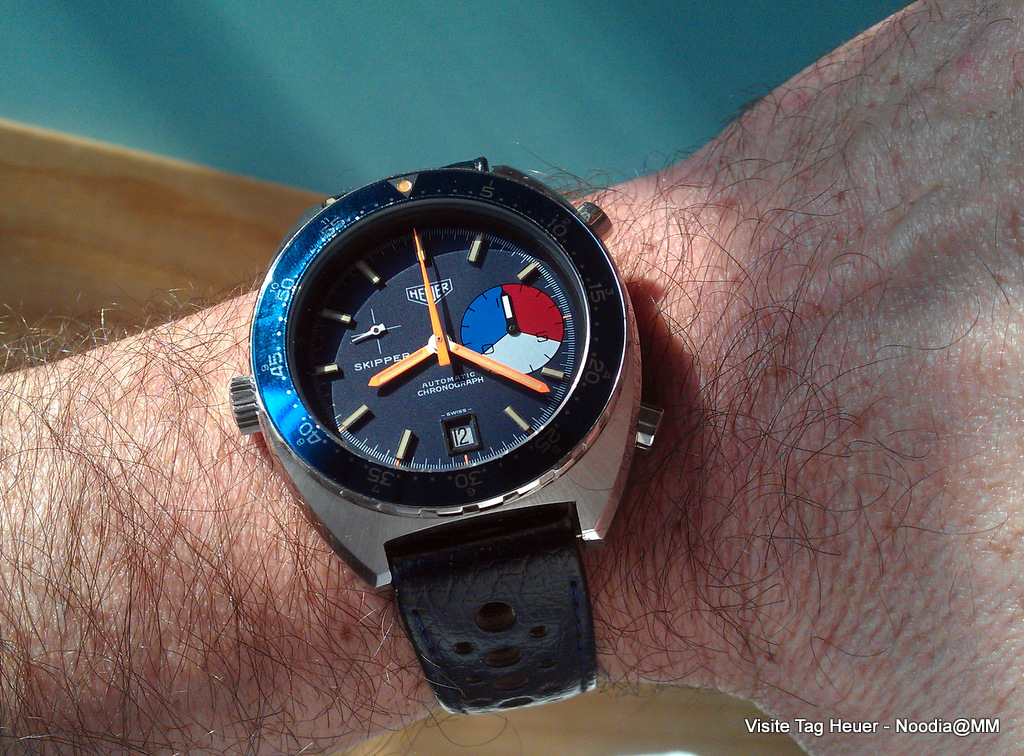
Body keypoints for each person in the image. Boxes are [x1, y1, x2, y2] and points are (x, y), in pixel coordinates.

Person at [2, 0, 1022, 752]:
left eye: (455, 340)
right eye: (421, 347)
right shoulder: (291, 403)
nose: (442, 352)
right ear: (254, 408)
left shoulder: (579, 371)